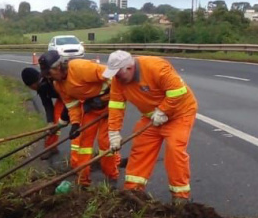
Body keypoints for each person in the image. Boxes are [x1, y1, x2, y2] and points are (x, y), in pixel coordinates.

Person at [103, 50, 198, 206]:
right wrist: (113, 133)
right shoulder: (118, 80)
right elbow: (116, 106)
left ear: (129, 67)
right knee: (140, 149)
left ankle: (180, 197)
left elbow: (178, 91)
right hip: (151, 119)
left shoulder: (156, 66)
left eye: (118, 73)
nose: (116, 77)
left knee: (175, 150)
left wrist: (163, 110)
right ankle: (132, 192)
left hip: (179, 114)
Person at [41, 51, 119, 187]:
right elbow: (72, 105)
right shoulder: (58, 84)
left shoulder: (80, 68)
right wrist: (75, 124)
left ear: (58, 66)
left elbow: (114, 77)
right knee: (84, 145)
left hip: (111, 105)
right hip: (92, 108)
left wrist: (104, 98)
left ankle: (111, 176)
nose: (48, 77)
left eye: (49, 73)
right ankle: (83, 181)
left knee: (104, 142)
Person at [21, 66, 65, 160]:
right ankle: (51, 148)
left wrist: (67, 116)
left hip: (75, 95)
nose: (31, 88)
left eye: (29, 86)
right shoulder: (41, 88)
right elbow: (47, 104)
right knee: (54, 122)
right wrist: (50, 122)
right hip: (63, 98)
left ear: (33, 84)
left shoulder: (50, 79)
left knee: (78, 125)